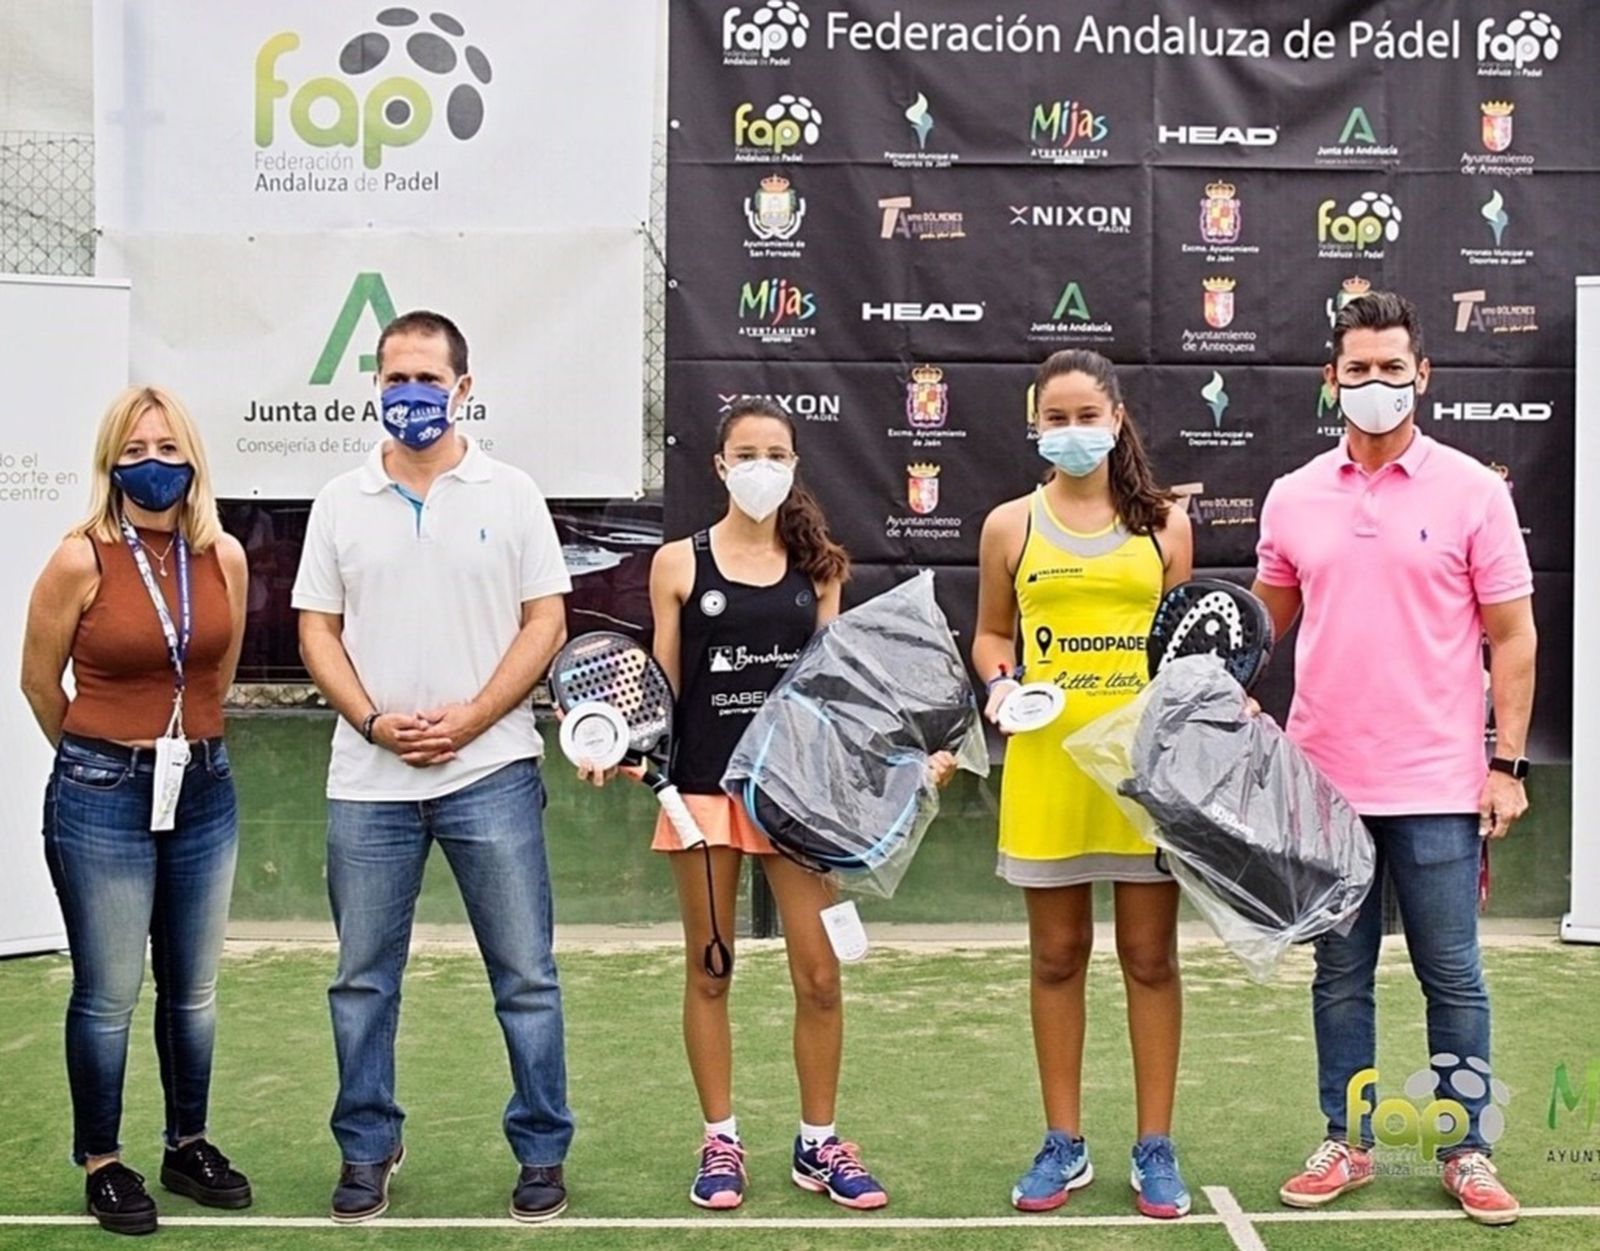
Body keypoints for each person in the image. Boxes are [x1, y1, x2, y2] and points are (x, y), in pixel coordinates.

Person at [577, 399, 953, 1211]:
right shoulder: (679, 563)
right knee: (710, 972)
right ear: (719, 465)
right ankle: (721, 1139)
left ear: (793, 465)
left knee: (819, 977)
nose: (760, 466)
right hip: (702, 797)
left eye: (775, 453)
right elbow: (663, 687)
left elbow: (839, 692)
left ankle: (818, 1144)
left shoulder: (820, 567)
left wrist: (915, 755)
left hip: (798, 800)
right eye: (745, 452)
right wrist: (620, 745)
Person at [1256, 292, 1535, 1227]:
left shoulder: (1473, 491)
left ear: (1424, 375)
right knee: (1339, 974)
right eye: (1358, 367)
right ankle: (1349, 1137)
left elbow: (1514, 635)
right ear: (1331, 378)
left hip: (1440, 786)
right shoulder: (1292, 495)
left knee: (1451, 973)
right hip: (1324, 785)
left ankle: (1467, 1149)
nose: (1376, 383)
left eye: (1392, 367)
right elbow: (1264, 629)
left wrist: (1508, 764)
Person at [292, 311, 575, 1224]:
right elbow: (315, 630)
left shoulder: (513, 492)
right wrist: (374, 722)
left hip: (489, 771)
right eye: (392, 377)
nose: (406, 394)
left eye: (424, 378)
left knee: (525, 974)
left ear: (462, 386)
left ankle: (541, 1149)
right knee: (362, 978)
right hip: (366, 783)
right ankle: (367, 1147)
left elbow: (546, 622)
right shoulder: (340, 499)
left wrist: (472, 718)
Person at [21, 385, 251, 1236]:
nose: (152, 464)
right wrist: (95, 757)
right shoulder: (80, 558)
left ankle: (187, 1142)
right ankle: (103, 1160)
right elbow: (40, 684)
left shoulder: (221, 554)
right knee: (110, 990)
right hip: (100, 791)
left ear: (192, 458)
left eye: (167, 448)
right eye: (136, 449)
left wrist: (184, 744)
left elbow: (214, 676)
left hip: (204, 787)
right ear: (110, 461)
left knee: (192, 991)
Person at [972, 349, 1194, 1219]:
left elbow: (1185, 655)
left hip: (1143, 780)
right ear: (1036, 425)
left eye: (1084, 416)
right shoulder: (1008, 526)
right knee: (1057, 959)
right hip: (1047, 772)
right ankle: (1063, 1142)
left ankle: (1155, 1145)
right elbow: (992, 634)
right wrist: (998, 682)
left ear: (1117, 419)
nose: (1071, 433)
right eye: (1055, 419)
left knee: (1150, 959)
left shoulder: (1166, 525)